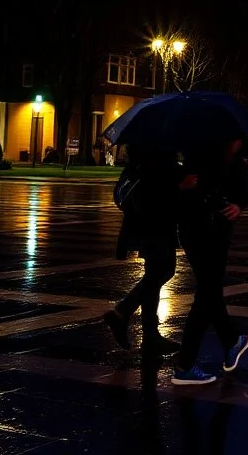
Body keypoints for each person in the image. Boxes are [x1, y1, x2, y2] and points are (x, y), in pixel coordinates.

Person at [172, 136, 248, 386]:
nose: (239, 143)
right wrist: (182, 186)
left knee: (210, 291)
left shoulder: (237, 163)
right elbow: (177, 192)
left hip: (217, 231)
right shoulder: (199, 159)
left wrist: (238, 206)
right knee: (207, 293)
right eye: (235, 139)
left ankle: (231, 342)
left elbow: (244, 193)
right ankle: (185, 364)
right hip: (198, 230)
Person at [103, 144, 183, 356]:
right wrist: (181, 181)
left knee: (155, 273)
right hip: (156, 221)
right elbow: (161, 183)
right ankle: (123, 311)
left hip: (144, 222)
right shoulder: (158, 150)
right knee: (162, 271)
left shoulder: (141, 150)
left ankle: (150, 334)